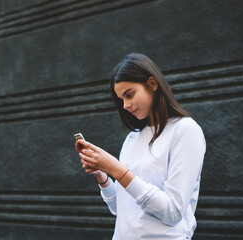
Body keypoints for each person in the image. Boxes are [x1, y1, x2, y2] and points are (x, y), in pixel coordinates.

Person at [75, 53, 206, 240]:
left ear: (152, 84)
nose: (126, 105)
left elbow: (173, 212)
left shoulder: (184, 129)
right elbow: (120, 209)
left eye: (129, 95)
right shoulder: (132, 138)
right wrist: (102, 175)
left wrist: (116, 169)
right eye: (121, 100)